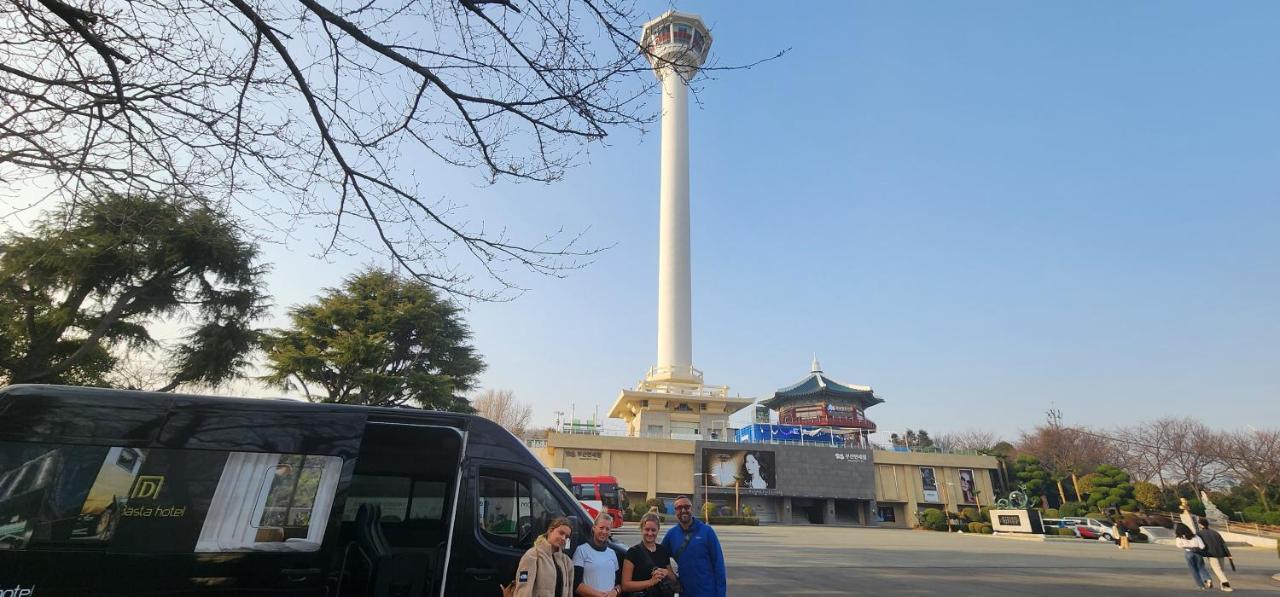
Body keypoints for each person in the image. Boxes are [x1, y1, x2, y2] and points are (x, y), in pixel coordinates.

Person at [661, 496, 726, 597]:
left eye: (686, 507)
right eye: (679, 508)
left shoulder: (707, 531)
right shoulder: (671, 535)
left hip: (708, 592)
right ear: (675, 511)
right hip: (685, 592)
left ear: (692, 509)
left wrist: (721, 594)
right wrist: (671, 575)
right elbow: (660, 556)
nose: (683, 510)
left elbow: (718, 564)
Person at [513, 517, 576, 597]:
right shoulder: (532, 555)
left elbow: (569, 593)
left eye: (567, 536)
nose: (563, 538)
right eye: (561, 533)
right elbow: (523, 590)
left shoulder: (567, 562)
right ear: (550, 531)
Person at [621, 513, 674, 597]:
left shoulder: (663, 551)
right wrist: (650, 582)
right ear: (641, 529)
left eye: (653, 530)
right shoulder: (633, 552)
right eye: (647, 529)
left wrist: (666, 572)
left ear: (658, 530)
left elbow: (673, 578)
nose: (650, 533)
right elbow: (625, 585)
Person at [573, 512, 624, 597]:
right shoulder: (581, 550)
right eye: (601, 528)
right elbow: (576, 585)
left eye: (607, 529)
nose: (604, 531)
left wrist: (615, 591)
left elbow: (619, 584)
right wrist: (600, 595)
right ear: (594, 528)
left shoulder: (612, 553)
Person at [1197, 517, 1233, 592]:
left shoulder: (1199, 533)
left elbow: (1200, 545)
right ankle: (1223, 586)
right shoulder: (1215, 532)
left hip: (1211, 554)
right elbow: (1223, 543)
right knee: (1222, 570)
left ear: (1200, 525)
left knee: (1217, 570)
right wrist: (1229, 554)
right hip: (1221, 553)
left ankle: (1226, 584)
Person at [1175, 523, 1213, 590]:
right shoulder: (1195, 536)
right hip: (1198, 553)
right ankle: (1207, 579)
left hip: (1188, 553)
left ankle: (1201, 586)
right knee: (1201, 567)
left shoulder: (1179, 537)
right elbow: (1202, 546)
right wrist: (1195, 547)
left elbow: (1179, 546)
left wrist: (1188, 546)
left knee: (1193, 570)